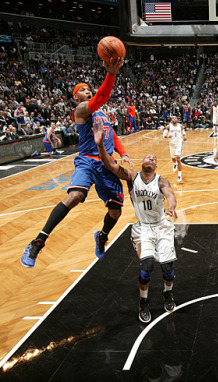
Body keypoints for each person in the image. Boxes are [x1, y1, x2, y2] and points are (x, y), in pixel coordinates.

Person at [21, 57, 134, 268]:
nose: (87, 91)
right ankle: (38, 242)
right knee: (75, 196)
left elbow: (113, 137)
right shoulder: (81, 111)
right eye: (82, 90)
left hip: (108, 164)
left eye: (89, 89)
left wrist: (124, 153)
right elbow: (101, 97)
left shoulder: (102, 114)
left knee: (115, 212)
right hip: (88, 162)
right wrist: (111, 74)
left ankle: (101, 236)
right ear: (76, 98)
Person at [92, 123, 178, 322]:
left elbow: (170, 195)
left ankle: (168, 293)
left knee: (168, 269)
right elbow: (111, 166)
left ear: (156, 166)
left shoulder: (162, 181)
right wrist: (100, 146)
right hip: (143, 229)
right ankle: (144, 302)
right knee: (147, 266)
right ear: (141, 162)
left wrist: (172, 207)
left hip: (162, 226)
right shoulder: (132, 177)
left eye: (154, 159)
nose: (151, 158)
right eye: (148, 156)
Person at [163, 115, 186, 183]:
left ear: (177, 119)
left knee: (178, 158)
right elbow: (164, 135)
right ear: (171, 120)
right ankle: (175, 163)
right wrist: (167, 136)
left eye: (175, 118)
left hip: (179, 143)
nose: (174, 119)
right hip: (172, 144)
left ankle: (179, 176)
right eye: (173, 118)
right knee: (173, 159)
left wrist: (184, 136)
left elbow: (183, 133)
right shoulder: (168, 126)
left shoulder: (180, 126)